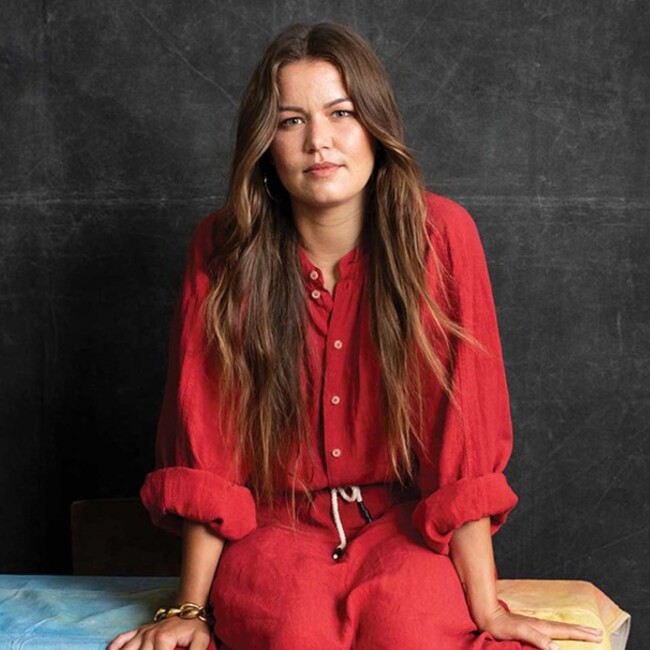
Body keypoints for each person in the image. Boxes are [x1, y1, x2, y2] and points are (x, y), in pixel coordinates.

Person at [108, 22, 604, 650]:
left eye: (341, 113)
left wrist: (488, 608)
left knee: (416, 630)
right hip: (275, 526)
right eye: (291, 121)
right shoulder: (222, 250)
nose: (319, 141)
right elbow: (208, 436)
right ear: (265, 143)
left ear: (374, 124)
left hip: (401, 526)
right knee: (293, 634)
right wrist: (189, 610)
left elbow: (466, 435)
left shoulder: (443, 236)